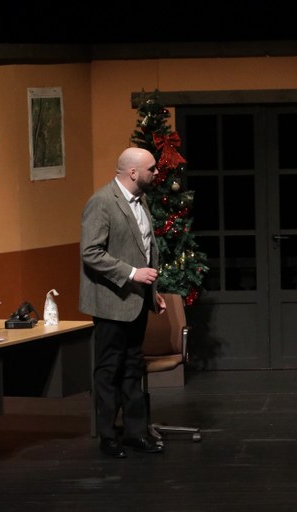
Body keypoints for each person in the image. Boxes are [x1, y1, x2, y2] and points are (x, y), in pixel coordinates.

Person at [80, 147, 168, 458]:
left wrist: (152, 291)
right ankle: (107, 436)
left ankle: (135, 432)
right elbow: (91, 252)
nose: (156, 173)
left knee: (132, 367)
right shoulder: (102, 202)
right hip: (111, 302)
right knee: (109, 370)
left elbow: (143, 249)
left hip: (136, 300)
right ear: (133, 172)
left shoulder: (140, 201)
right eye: (151, 169)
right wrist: (132, 274)